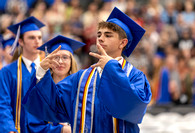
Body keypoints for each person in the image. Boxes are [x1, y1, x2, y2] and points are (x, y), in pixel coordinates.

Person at [23, 7, 152, 133]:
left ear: (122, 43)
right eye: (99, 34)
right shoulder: (80, 78)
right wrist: (42, 72)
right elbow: (53, 104)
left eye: (108, 35)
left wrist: (110, 67)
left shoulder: (135, 76)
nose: (100, 39)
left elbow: (133, 108)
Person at [0, 16, 66, 133]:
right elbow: (3, 104)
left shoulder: (51, 69)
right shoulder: (7, 72)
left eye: (39, 38)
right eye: (31, 37)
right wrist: (9, 129)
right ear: (20, 41)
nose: (37, 41)